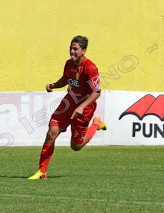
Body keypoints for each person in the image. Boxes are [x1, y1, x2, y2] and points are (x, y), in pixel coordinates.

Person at [28, 35, 107, 180]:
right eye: (71, 48)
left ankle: (96, 124)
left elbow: (96, 92)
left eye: (75, 49)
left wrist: (82, 107)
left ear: (83, 51)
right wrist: (54, 85)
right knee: (51, 132)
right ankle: (42, 171)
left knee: (76, 146)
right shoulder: (69, 64)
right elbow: (65, 79)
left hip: (84, 109)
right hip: (68, 104)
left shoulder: (90, 68)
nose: (72, 51)